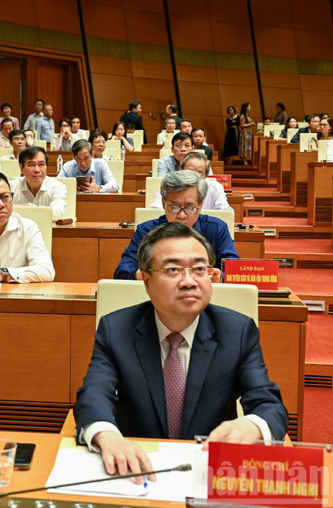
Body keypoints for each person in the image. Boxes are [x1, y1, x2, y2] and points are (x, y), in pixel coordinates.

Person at [75, 221, 287, 477]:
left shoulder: (237, 331)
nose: (189, 282)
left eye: (199, 269)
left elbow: (270, 405)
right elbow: (94, 394)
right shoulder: (116, 329)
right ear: (146, 280)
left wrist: (251, 426)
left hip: (208, 472)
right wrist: (107, 436)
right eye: (173, 269)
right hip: (139, 471)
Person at [114, 170, 239, 279]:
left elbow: (234, 270)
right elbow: (122, 270)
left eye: (189, 208)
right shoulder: (146, 230)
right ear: (163, 204)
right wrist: (141, 274)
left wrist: (220, 277)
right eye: (174, 207)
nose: (182, 215)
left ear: (200, 205)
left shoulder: (216, 229)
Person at [149, 152, 232, 212]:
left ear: (206, 175)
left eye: (200, 173)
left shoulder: (215, 188)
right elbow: (156, 211)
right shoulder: (169, 186)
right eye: (190, 172)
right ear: (181, 170)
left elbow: (225, 212)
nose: (194, 177)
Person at [10, 146, 67, 221]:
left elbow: (56, 214)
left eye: (41, 164)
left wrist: (26, 207)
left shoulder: (57, 187)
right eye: (31, 165)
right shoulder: (11, 186)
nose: (37, 170)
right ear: (21, 168)